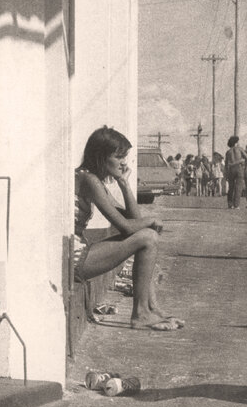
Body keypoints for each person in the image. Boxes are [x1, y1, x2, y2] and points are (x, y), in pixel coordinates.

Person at [73, 126, 183, 331]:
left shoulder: (94, 180)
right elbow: (125, 226)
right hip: (76, 260)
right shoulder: (88, 179)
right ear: (101, 156)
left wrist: (124, 183)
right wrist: (151, 220)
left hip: (80, 255)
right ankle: (141, 313)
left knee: (147, 237)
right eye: (119, 156)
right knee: (148, 238)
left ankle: (151, 308)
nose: (124, 162)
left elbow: (132, 221)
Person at [224, 136, 245, 209]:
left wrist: (226, 174)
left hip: (231, 170)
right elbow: (246, 157)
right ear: (236, 142)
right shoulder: (240, 149)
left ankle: (230, 204)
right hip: (239, 169)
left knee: (231, 187)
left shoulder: (228, 152)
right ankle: (236, 205)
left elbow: (226, 164)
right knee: (238, 187)